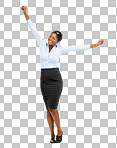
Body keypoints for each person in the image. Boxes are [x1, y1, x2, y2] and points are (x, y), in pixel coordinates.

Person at [21, 6, 104, 143]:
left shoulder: (61, 49)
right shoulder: (42, 44)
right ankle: (52, 135)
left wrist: (96, 45)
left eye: (54, 38)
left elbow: (78, 47)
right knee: (48, 109)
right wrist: (25, 14)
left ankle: (60, 131)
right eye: (50, 36)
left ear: (58, 41)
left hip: (55, 79)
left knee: (53, 107)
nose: (50, 39)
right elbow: (33, 29)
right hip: (44, 79)